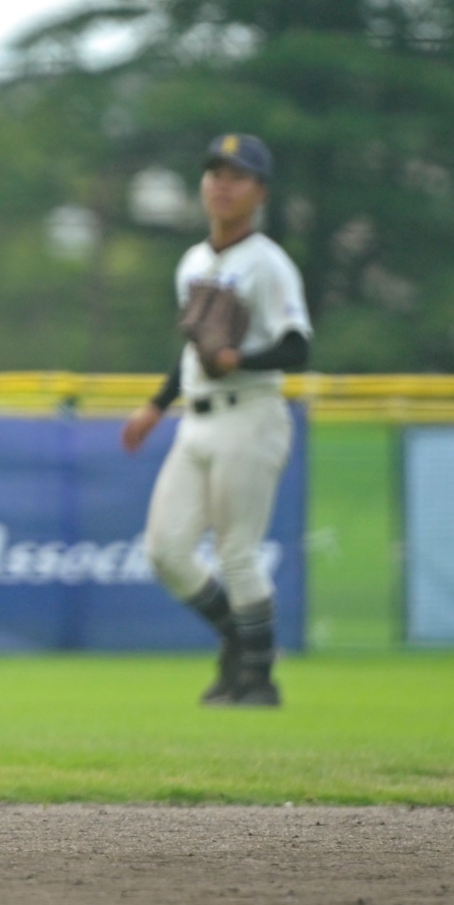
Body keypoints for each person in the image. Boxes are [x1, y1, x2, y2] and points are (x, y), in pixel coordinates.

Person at [121, 134, 312, 707]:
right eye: (215, 174)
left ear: (260, 192)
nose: (222, 186)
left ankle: (258, 679)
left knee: (237, 552)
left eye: (237, 176)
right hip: (197, 421)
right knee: (167, 551)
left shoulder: (268, 264)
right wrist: (156, 406)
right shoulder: (194, 262)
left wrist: (239, 360)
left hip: (251, 415)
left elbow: (297, 347)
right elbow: (193, 351)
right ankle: (239, 640)